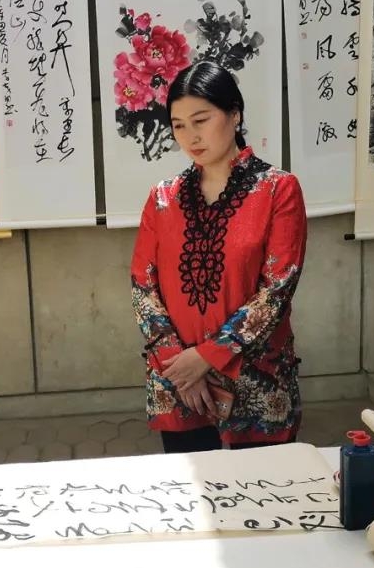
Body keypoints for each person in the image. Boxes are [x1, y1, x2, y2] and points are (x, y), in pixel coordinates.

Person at [130, 60, 307, 453]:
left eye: (201, 120)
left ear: (234, 114)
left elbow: (276, 291)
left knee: (265, 487)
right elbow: (143, 285)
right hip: (180, 380)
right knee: (189, 486)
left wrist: (207, 357)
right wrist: (179, 363)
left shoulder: (278, 190)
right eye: (178, 125)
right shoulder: (163, 198)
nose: (190, 136)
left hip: (255, 377)